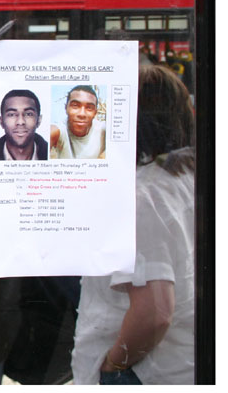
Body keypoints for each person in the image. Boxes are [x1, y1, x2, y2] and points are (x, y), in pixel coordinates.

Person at [72, 64, 195, 384]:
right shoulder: (186, 178)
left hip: (144, 373)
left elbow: (154, 312)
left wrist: (115, 366)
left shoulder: (140, 197)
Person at [50, 85, 106, 159]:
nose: (82, 114)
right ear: (66, 108)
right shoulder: (59, 130)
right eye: (75, 106)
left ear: (95, 112)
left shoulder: (102, 131)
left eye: (89, 108)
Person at [0, 90, 48, 161]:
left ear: (39, 120)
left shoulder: (51, 155)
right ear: (1, 121)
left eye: (28, 114)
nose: (20, 122)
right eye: (11, 114)